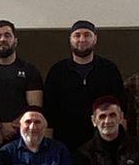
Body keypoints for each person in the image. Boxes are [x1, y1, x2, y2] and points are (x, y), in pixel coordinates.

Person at [44, 21, 126, 151]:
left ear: (95, 39)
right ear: (70, 39)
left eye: (87, 35)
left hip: (102, 142)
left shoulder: (109, 69)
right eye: (77, 35)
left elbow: (121, 107)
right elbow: (49, 111)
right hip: (65, 142)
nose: (82, 39)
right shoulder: (57, 71)